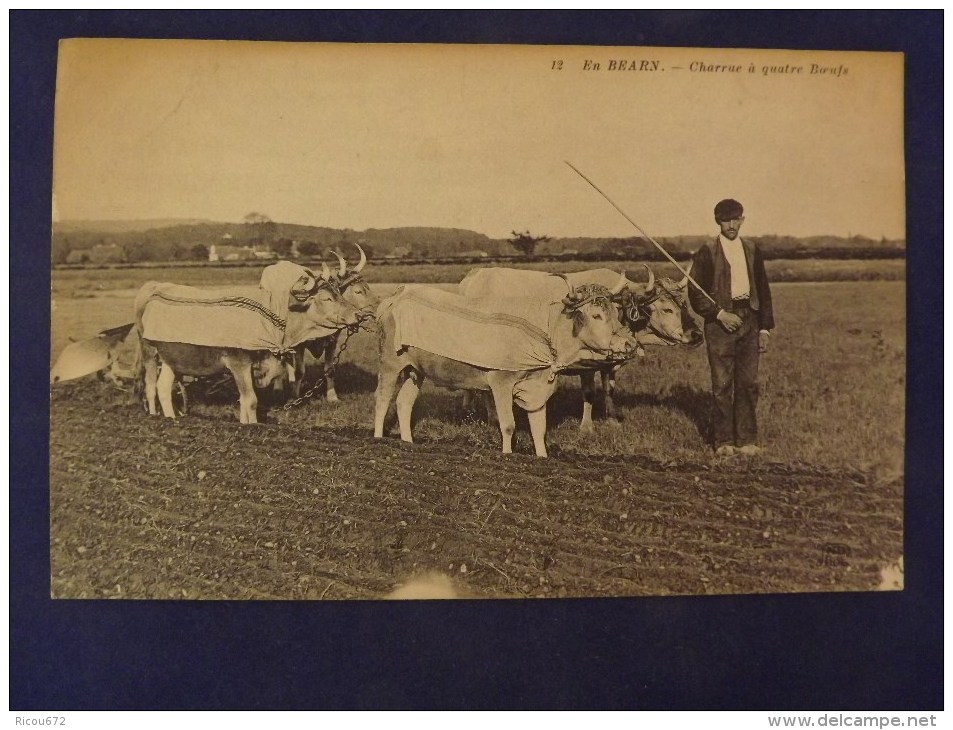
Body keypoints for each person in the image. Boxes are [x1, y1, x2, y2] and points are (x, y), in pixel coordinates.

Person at [688, 199, 774, 456]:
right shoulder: (706, 251)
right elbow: (696, 292)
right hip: (719, 324)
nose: (732, 225)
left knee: (747, 383)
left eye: (736, 219)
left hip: (750, 319)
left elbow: (763, 288)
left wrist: (764, 329)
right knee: (722, 384)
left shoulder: (751, 249)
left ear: (743, 220)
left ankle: (747, 441)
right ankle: (724, 442)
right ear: (718, 221)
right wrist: (719, 314)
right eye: (726, 220)